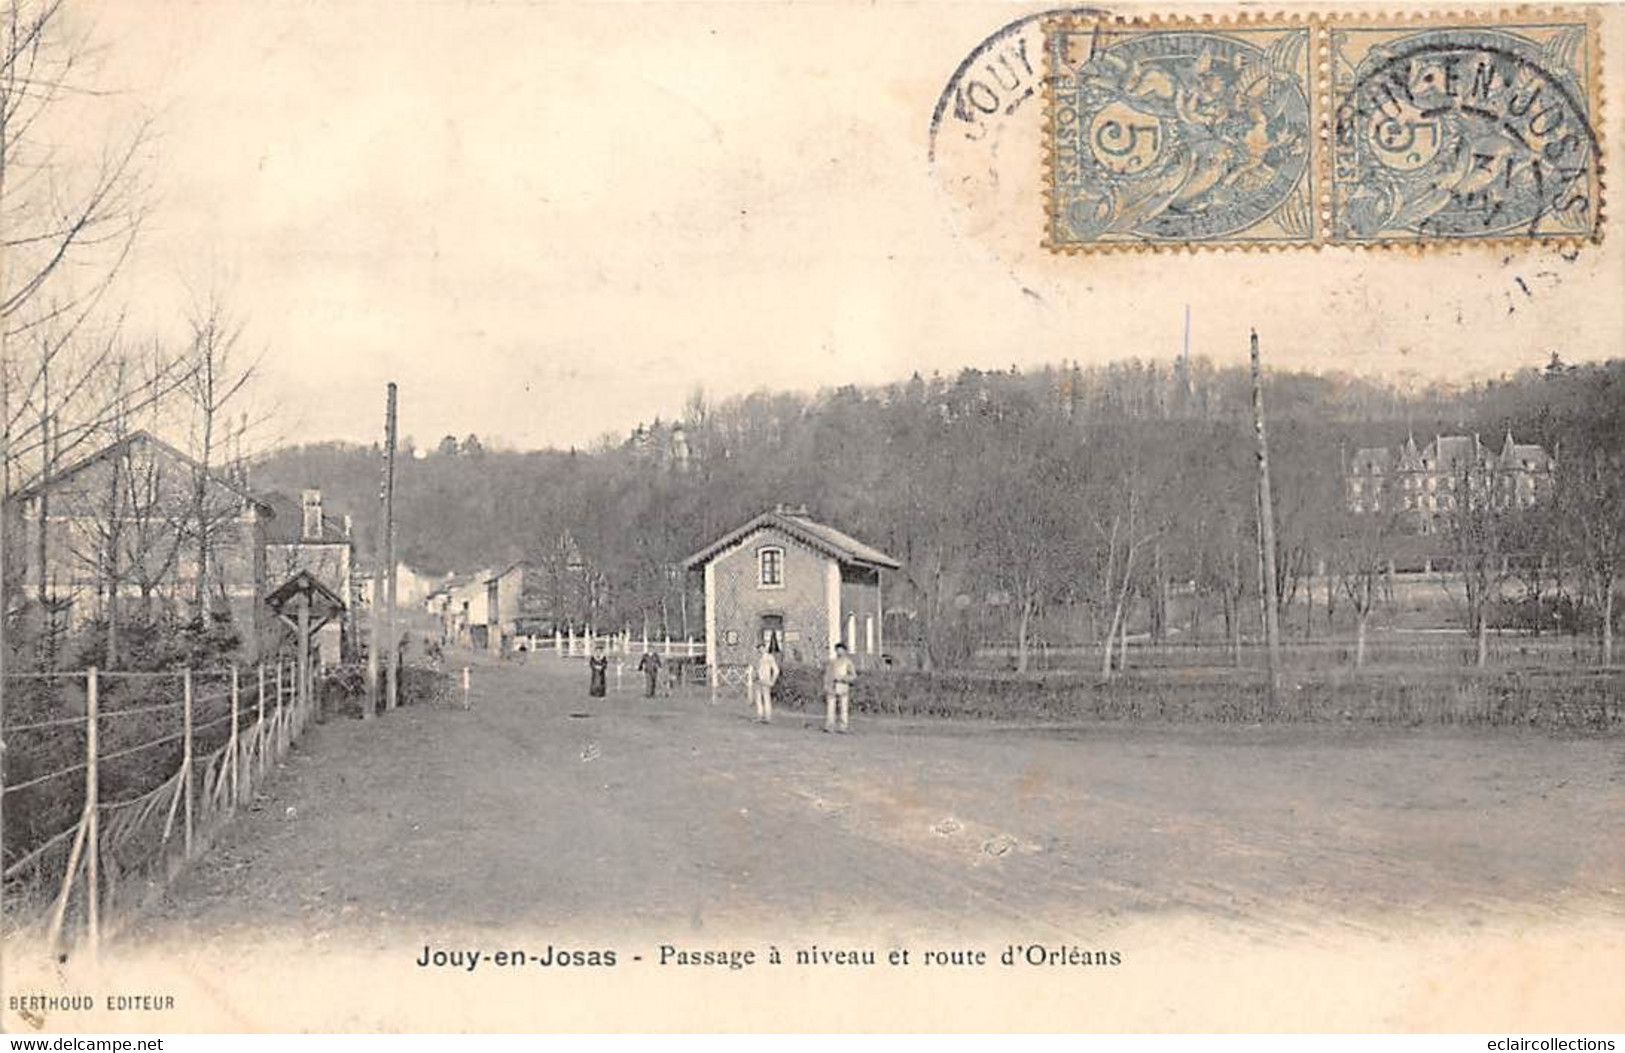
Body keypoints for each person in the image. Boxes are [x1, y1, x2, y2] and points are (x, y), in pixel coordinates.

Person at [823, 642, 856, 733]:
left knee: (843, 708)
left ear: (845, 651)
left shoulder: (848, 662)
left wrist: (843, 678)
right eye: (837, 649)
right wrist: (826, 684)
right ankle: (829, 726)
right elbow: (827, 674)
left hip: (843, 687)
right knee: (830, 707)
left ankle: (843, 727)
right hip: (832, 687)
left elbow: (853, 676)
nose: (839, 651)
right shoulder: (832, 662)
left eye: (841, 649)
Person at [752, 643, 780, 724]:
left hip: (766, 680)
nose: (760, 650)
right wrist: (754, 676)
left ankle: (768, 717)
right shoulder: (758, 658)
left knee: (766, 699)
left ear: (765, 648)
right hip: (758, 680)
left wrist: (772, 681)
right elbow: (755, 669)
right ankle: (759, 716)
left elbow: (776, 670)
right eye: (759, 649)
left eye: (762, 648)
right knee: (758, 699)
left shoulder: (769, 657)